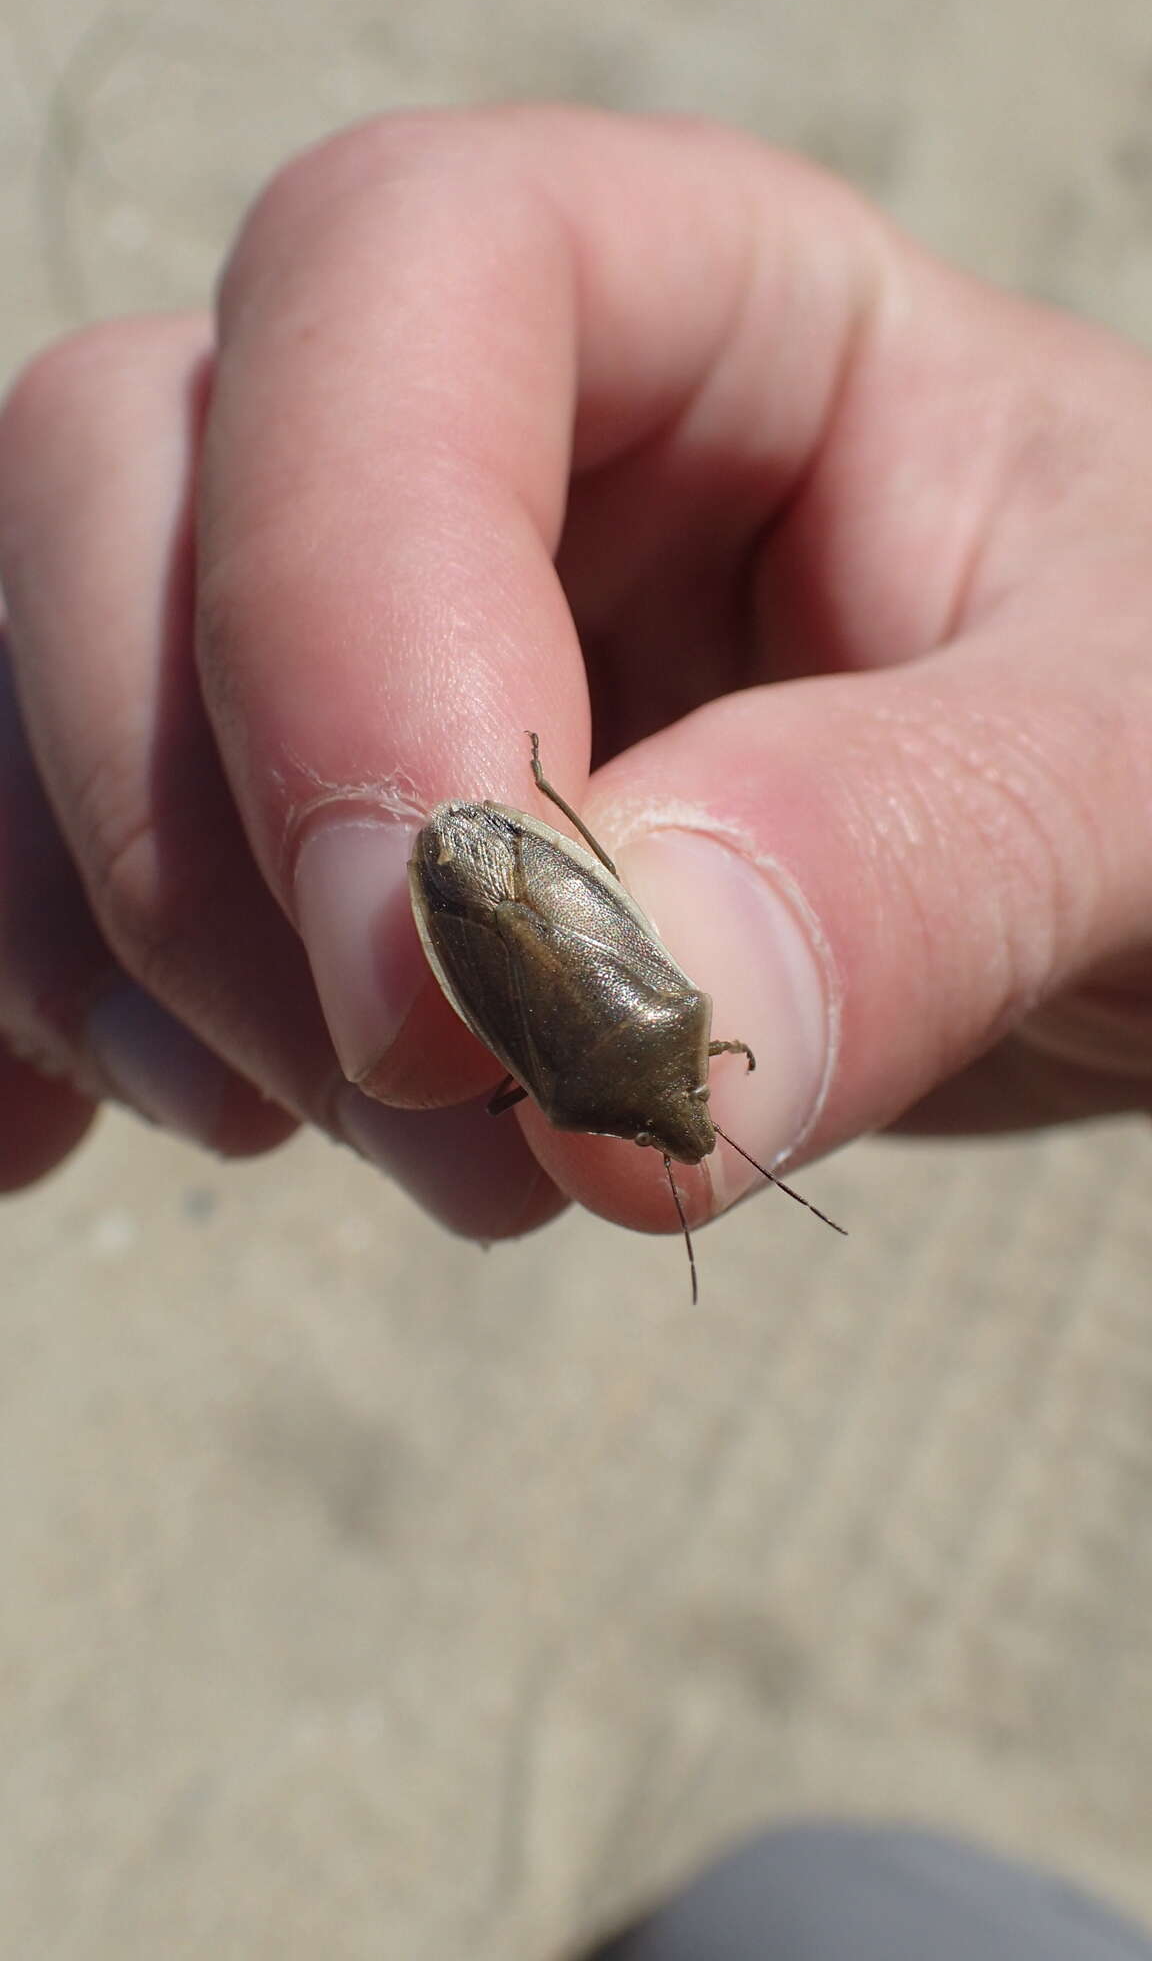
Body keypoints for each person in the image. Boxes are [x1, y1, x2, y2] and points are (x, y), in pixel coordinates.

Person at [2, 101, 1151, 1956]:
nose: (698, 1136)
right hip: (507, 884)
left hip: (500, 888)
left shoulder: (666, 1046)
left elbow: (547, 917)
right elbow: (571, 923)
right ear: (696, 1089)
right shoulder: (670, 1036)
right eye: (705, 1121)